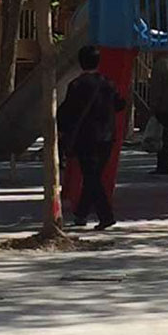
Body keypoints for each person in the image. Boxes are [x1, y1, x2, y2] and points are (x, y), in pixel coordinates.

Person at [57, 46, 126, 230]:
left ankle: (106, 216)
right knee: (92, 176)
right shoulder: (108, 84)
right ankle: (81, 214)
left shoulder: (77, 85)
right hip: (107, 136)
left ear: (81, 63)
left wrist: (62, 130)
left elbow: (66, 112)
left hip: (86, 138)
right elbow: (120, 104)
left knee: (92, 177)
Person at [148, 53, 168, 177]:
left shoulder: (158, 67)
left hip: (162, 106)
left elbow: (156, 88)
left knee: (160, 136)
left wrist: (153, 104)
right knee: (166, 136)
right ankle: (165, 164)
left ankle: (162, 165)